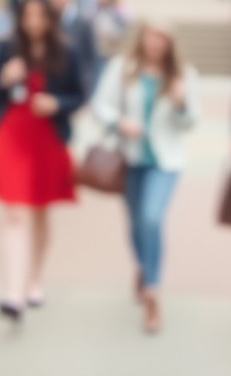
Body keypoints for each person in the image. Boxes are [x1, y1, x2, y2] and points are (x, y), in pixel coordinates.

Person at [0, 0, 85, 324]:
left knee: (39, 212)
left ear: (51, 20)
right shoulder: (6, 50)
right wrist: (4, 78)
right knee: (14, 213)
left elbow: (80, 94)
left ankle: (34, 278)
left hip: (47, 137)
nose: (34, 23)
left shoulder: (67, 52)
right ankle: (13, 293)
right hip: (11, 134)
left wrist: (58, 104)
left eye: (41, 16)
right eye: (28, 16)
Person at [91, 19, 200, 335]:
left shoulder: (183, 75)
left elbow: (191, 123)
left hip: (165, 161)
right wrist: (119, 123)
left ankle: (152, 290)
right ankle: (143, 264)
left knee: (152, 218)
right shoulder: (122, 68)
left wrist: (181, 102)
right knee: (135, 223)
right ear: (143, 38)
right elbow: (101, 104)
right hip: (130, 158)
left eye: (163, 38)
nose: (157, 44)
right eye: (153, 36)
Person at [46, 0, 98, 99]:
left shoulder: (82, 24)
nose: (53, 3)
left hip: (72, 88)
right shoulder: (46, 22)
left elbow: (90, 59)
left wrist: (87, 88)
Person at [91, 0, 131, 79]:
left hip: (112, 52)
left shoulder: (117, 12)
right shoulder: (93, 11)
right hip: (97, 52)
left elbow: (126, 23)